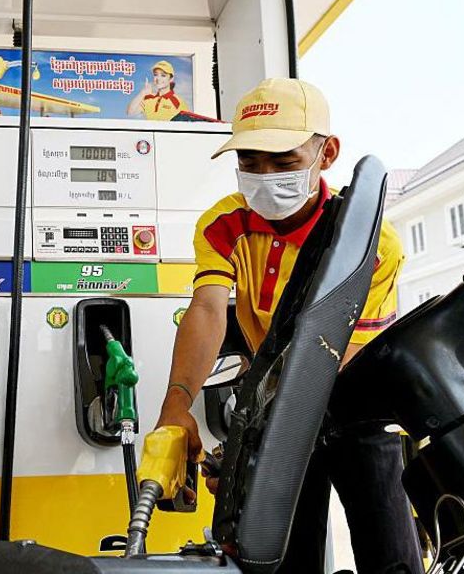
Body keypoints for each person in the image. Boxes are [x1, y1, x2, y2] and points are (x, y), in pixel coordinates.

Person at [154, 78, 422, 574]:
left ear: (327, 153)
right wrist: (176, 407)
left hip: (354, 404)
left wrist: (249, 449)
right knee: (275, 559)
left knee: (391, 559)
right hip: (275, 403)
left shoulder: (371, 244)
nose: (264, 176)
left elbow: (342, 357)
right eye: (250, 161)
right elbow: (208, 310)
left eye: (283, 162)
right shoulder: (223, 224)